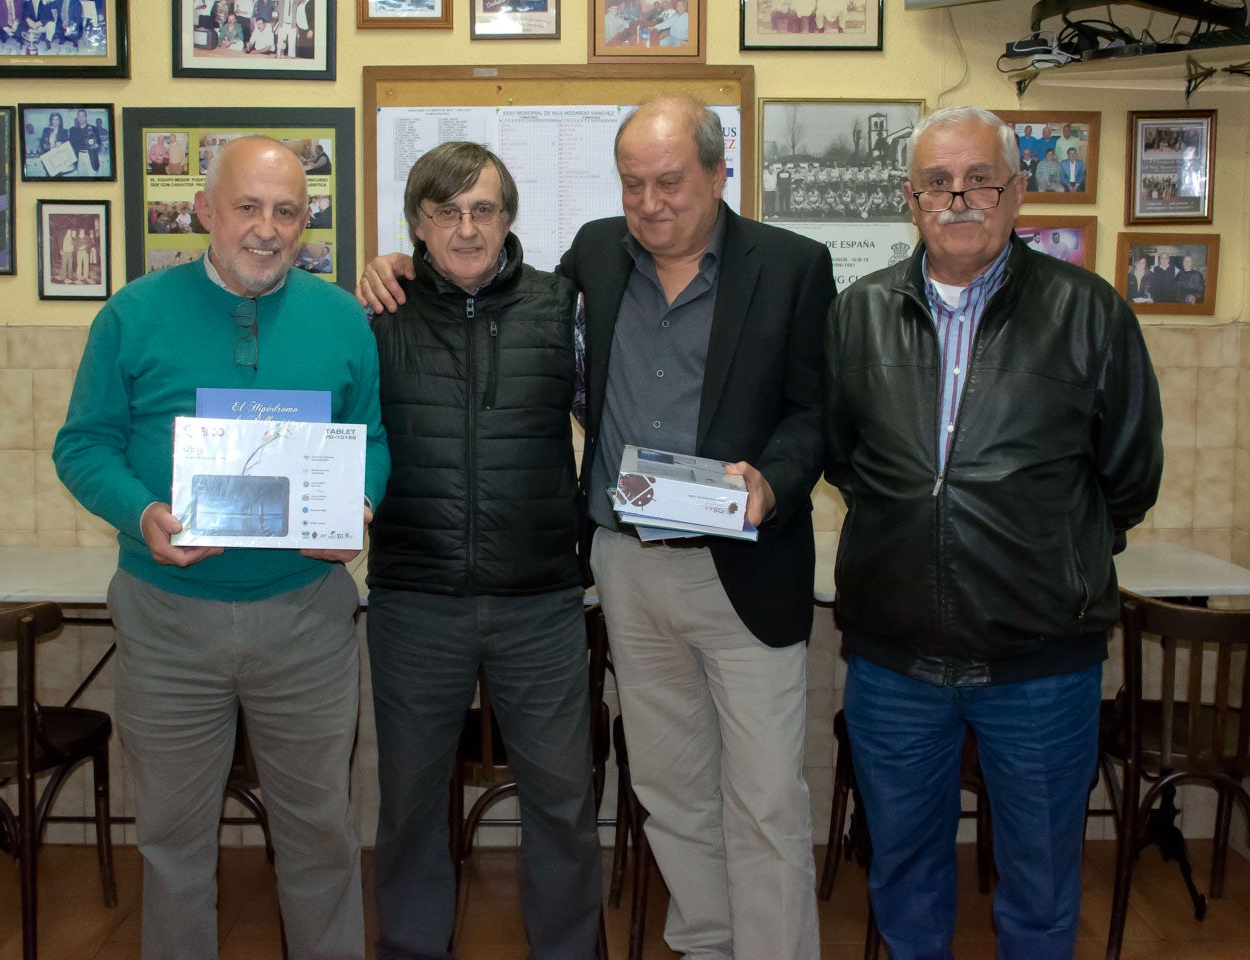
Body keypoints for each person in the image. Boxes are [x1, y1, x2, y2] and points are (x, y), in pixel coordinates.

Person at [361, 94, 835, 960]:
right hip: (620, 564)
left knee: (764, 797)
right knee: (668, 786)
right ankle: (705, 946)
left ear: (717, 171)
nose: (651, 203)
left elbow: (815, 409)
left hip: (737, 568)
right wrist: (389, 264)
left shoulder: (791, 265)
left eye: (669, 183)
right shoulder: (595, 261)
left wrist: (774, 481)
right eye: (632, 185)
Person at [824, 105, 1164, 960]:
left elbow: (1128, 475)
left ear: (1018, 194)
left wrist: (1047, 545)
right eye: (938, 182)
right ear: (910, 199)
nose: (959, 197)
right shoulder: (856, 313)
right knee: (901, 875)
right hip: (894, 661)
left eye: (981, 179)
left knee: (1041, 886)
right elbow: (842, 457)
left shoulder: (1089, 313)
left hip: (1040, 663)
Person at [53, 135, 390, 960]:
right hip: (168, 622)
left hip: (307, 621)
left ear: (306, 221)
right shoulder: (132, 314)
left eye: (286, 211)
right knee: (172, 841)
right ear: (204, 211)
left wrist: (362, 499)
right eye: (247, 207)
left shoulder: (342, 318)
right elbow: (82, 445)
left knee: (321, 835)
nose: (266, 229)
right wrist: (141, 515)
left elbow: (372, 437)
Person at [359, 140, 603, 960]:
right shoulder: (375, 313)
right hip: (413, 599)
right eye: (445, 212)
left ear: (507, 219)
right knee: (410, 804)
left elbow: (617, 415)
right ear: (417, 224)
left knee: (565, 801)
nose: (466, 228)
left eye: (483, 210)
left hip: (540, 601)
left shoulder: (560, 305)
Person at [69, 108, 102, 175]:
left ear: (86, 117)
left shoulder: (93, 128)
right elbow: (72, 144)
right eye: (79, 116)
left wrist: (96, 145)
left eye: (83, 116)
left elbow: (99, 142)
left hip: (91, 156)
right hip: (79, 157)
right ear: (77, 117)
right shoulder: (74, 130)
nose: (81, 118)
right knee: (81, 180)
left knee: (92, 179)